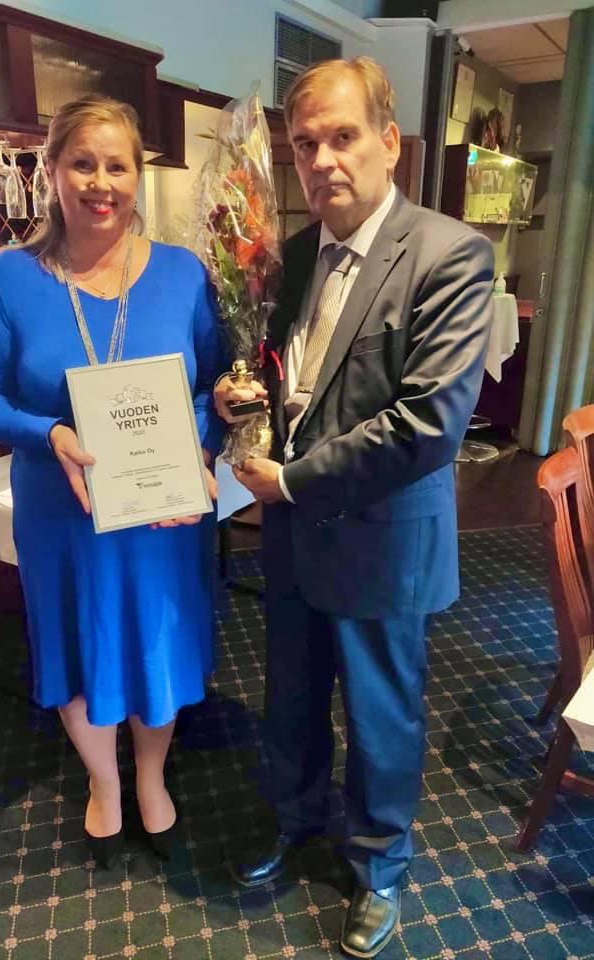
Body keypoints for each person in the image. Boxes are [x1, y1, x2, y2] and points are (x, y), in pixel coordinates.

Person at [214, 58, 493, 958]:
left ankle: (380, 869)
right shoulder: (293, 258)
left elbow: (427, 426)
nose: (323, 159)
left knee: (381, 718)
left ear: (389, 141)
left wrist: (292, 481)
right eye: (305, 144)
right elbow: (286, 379)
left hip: (380, 538)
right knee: (290, 697)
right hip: (295, 540)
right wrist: (239, 397)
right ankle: (296, 819)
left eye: (343, 136)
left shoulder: (450, 254)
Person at [0, 95, 223, 870]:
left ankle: (150, 777)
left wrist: (200, 454)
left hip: (162, 509)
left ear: (138, 174)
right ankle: (103, 783)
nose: (101, 183)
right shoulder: (9, 278)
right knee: (79, 641)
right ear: (51, 170)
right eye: (82, 163)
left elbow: (214, 387)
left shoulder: (184, 274)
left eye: (117, 165)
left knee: (157, 641)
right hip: (62, 508)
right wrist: (51, 434)